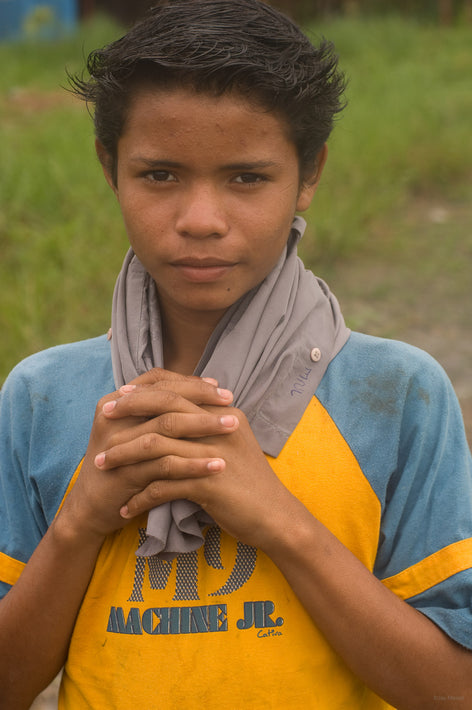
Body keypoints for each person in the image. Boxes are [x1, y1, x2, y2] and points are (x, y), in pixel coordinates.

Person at [0, 0, 471, 707]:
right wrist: (79, 523)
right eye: (160, 175)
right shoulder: (42, 397)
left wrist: (282, 523)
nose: (200, 220)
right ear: (109, 167)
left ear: (308, 174)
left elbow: (451, 690)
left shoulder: (399, 393)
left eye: (247, 178)